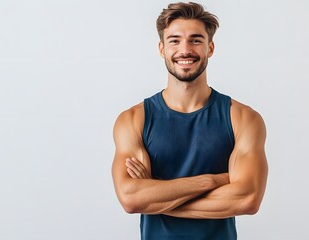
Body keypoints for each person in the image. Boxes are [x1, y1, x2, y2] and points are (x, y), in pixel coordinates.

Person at [111, 2, 268, 240]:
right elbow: (131, 198)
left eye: (196, 40)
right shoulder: (134, 120)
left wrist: (156, 196)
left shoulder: (243, 118)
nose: (185, 50)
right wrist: (213, 180)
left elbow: (247, 199)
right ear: (162, 49)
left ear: (210, 48)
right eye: (175, 40)